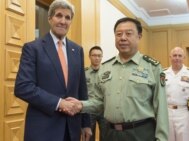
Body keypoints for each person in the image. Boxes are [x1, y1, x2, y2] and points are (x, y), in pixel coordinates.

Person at [66, 17, 169, 141]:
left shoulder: (153, 67)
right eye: (119, 34)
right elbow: (100, 103)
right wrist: (81, 105)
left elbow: (161, 108)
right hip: (111, 134)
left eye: (128, 34)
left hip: (141, 134)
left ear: (139, 36)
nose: (123, 38)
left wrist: (162, 138)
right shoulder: (105, 68)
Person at [14, 0, 91, 141]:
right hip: (43, 130)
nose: (63, 21)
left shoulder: (77, 50)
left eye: (67, 17)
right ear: (50, 19)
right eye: (59, 15)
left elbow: (82, 89)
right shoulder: (33, 48)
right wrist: (59, 103)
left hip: (72, 129)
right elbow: (23, 87)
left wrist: (86, 123)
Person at [85, 46, 107, 141]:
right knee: (88, 137)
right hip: (89, 109)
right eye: (94, 55)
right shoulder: (83, 73)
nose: (97, 58)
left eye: (99, 55)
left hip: (104, 109)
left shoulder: (107, 73)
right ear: (89, 56)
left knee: (106, 136)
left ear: (102, 57)